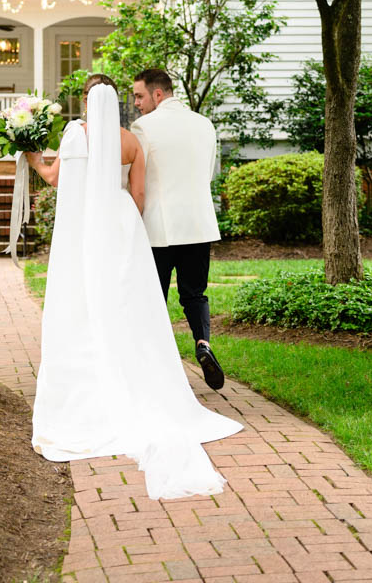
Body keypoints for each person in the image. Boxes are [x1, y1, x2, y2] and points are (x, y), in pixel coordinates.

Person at [22, 75, 242, 500]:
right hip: (139, 223)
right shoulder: (137, 139)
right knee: (158, 299)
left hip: (97, 230)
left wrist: (30, 155)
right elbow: (138, 194)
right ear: (118, 101)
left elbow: (53, 179)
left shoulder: (78, 135)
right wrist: (126, 224)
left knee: (110, 300)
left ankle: (101, 360)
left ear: (88, 102)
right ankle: (181, 346)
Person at [129, 68, 226, 390]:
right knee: (195, 294)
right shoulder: (205, 124)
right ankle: (203, 343)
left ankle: (156, 365)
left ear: (159, 94)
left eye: (140, 96)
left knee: (154, 296)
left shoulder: (143, 127)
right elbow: (209, 174)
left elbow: (136, 178)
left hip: (158, 227)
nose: (136, 104)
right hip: (198, 224)